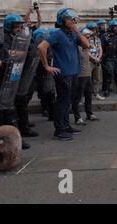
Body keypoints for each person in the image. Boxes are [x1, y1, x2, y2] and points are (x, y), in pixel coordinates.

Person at [38, 8, 90, 141]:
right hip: (63, 73)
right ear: (62, 21)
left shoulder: (72, 34)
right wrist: (47, 66)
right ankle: (59, 129)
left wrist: (76, 30)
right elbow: (41, 47)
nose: (73, 21)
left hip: (74, 72)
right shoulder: (58, 34)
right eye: (70, 19)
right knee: (63, 101)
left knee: (69, 101)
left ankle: (66, 126)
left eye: (73, 19)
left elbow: (87, 45)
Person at [2, 13, 38, 148]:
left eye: (19, 25)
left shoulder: (20, 36)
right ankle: (15, 136)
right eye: (16, 26)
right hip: (8, 75)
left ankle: (25, 128)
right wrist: (21, 53)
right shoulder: (4, 38)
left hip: (20, 72)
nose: (18, 28)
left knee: (22, 101)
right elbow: (7, 53)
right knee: (10, 107)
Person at [72, 28, 99, 126]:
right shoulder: (77, 48)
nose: (88, 39)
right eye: (87, 37)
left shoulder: (86, 47)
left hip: (88, 75)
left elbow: (90, 51)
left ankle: (89, 114)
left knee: (88, 96)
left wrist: (95, 58)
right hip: (80, 76)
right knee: (78, 97)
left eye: (89, 37)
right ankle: (77, 117)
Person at [101, 19, 117, 96]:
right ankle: (106, 90)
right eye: (115, 27)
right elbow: (101, 47)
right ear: (110, 27)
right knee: (108, 74)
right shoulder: (105, 36)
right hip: (109, 58)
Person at [86, 22, 105, 100]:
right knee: (87, 79)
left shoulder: (97, 38)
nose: (93, 31)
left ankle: (96, 93)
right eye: (91, 29)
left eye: (94, 29)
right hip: (89, 61)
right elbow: (86, 51)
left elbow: (100, 49)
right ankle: (86, 95)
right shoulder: (86, 39)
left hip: (97, 61)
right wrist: (94, 58)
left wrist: (98, 58)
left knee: (97, 78)